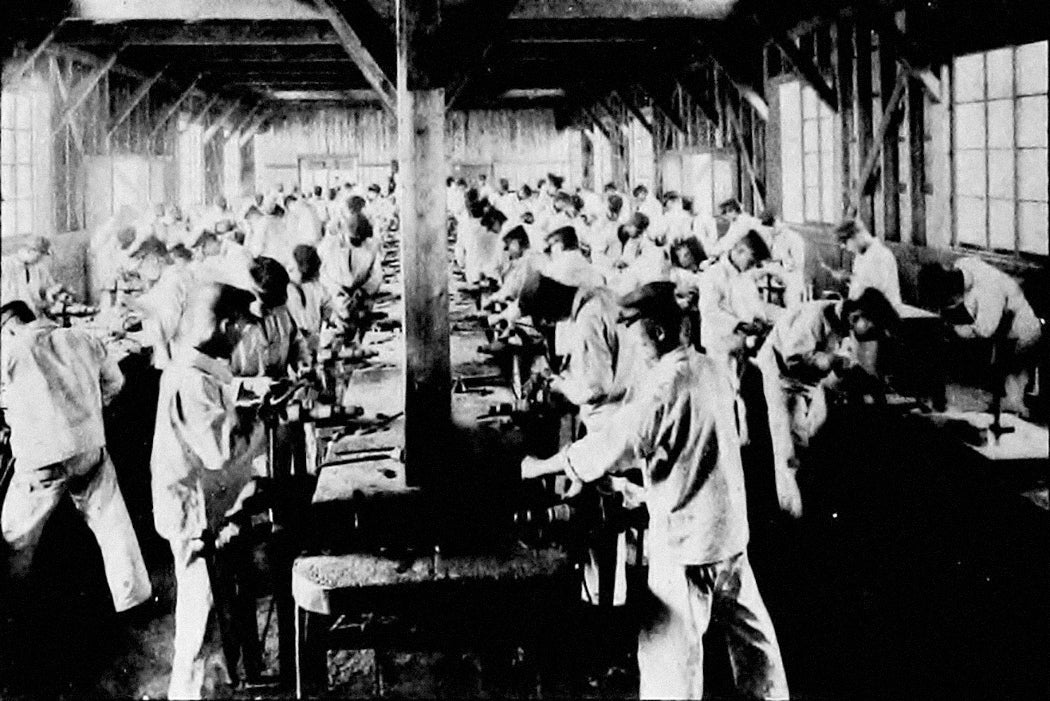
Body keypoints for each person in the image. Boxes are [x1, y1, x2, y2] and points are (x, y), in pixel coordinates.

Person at [521, 282, 789, 700]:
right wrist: (634, 488)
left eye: (633, 329)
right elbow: (691, 452)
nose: (629, 340)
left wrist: (541, 466)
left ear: (658, 333)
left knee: (669, 660)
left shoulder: (664, 387)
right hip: (730, 531)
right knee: (755, 645)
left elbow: (614, 444)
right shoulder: (713, 368)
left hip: (686, 545)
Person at [150, 283, 267, 699]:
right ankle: (188, 695)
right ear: (226, 324)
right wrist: (261, 422)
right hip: (193, 510)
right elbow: (221, 451)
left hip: (204, 503)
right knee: (200, 618)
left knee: (215, 614)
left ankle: (213, 689)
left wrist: (245, 411)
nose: (241, 338)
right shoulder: (192, 381)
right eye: (239, 329)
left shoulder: (197, 368)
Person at [1, 300, 151, 612]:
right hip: (87, 449)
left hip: (39, 461)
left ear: (9, 326)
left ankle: (14, 607)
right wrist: (89, 410)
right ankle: (133, 598)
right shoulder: (83, 337)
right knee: (112, 521)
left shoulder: (11, 351)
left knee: (16, 534)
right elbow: (115, 383)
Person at [756, 289, 900, 507]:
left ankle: (804, 492)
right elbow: (793, 358)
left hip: (807, 380)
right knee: (786, 446)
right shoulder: (814, 318)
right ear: (856, 316)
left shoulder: (847, 322)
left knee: (807, 434)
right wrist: (831, 360)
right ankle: (791, 511)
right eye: (871, 328)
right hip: (780, 376)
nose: (871, 334)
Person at [919, 257, 1042, 416]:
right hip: (1004, 328)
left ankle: (1018, 415)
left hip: (1023, 331)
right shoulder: (963, 264)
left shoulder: (988, 292)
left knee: (1012, 400)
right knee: (1002, 396)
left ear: (953, 291)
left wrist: (954, 330)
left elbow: (985, 331)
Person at [699, 230, 773, 358]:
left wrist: (760, 320)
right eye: (751, 262)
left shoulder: (745, 276)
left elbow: (753, 303)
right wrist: (740, 325)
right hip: (719, 345)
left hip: (741, 343)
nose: (752, 266)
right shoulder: (713, 274)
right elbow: (709, 311)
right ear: (740, 251)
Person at [232, 257, 302, 379]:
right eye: (267, 304)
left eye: (275, 305)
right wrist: (251, 386)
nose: (272, 311)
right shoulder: (231, 329)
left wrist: (302, 362)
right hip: (247, 396)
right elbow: (217, 384)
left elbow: (296, 342)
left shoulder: (281, 314)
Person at [831, 219, 902, 309]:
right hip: (865, 309)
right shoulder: (861, 256)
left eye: (845, 242)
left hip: (883, 311)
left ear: (857, 235)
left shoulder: (880, 254)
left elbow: (874, 293)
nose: (845, 248)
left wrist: (850, 278)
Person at [286, 244, 331, 351]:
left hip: (312, 344)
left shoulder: (315, 287)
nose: (289, 268)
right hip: (298, 347)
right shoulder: (289, 291)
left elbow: (329, 306)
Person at [1, 236, 61, 315]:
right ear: (30, 250)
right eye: (39, 255)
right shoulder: (5, 264)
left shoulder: (39, 268)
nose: (40, 259)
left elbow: (49, 287)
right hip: (7, 316)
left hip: (33, 317)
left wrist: (50, 292)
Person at [761, 210, 808, 309]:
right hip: (774, 281)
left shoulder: (794, 238)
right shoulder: (772, 238)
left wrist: (781, 265)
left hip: (792, 279)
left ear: (778, 222)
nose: (770, 231)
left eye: (772, 227)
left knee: (791, 307)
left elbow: (799, 263)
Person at [696, 198, 764, 260]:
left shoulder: (742, 221)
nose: (724, 217)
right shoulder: (736, 221)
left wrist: (713, 251)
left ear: (732, 210)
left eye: (725, 213)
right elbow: (727, 238)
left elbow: (730, 241)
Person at [545, 226, 606, 290]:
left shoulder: (565, 261)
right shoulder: (578, 258)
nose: (550, 252)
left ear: (560, 245)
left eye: (551, 246)